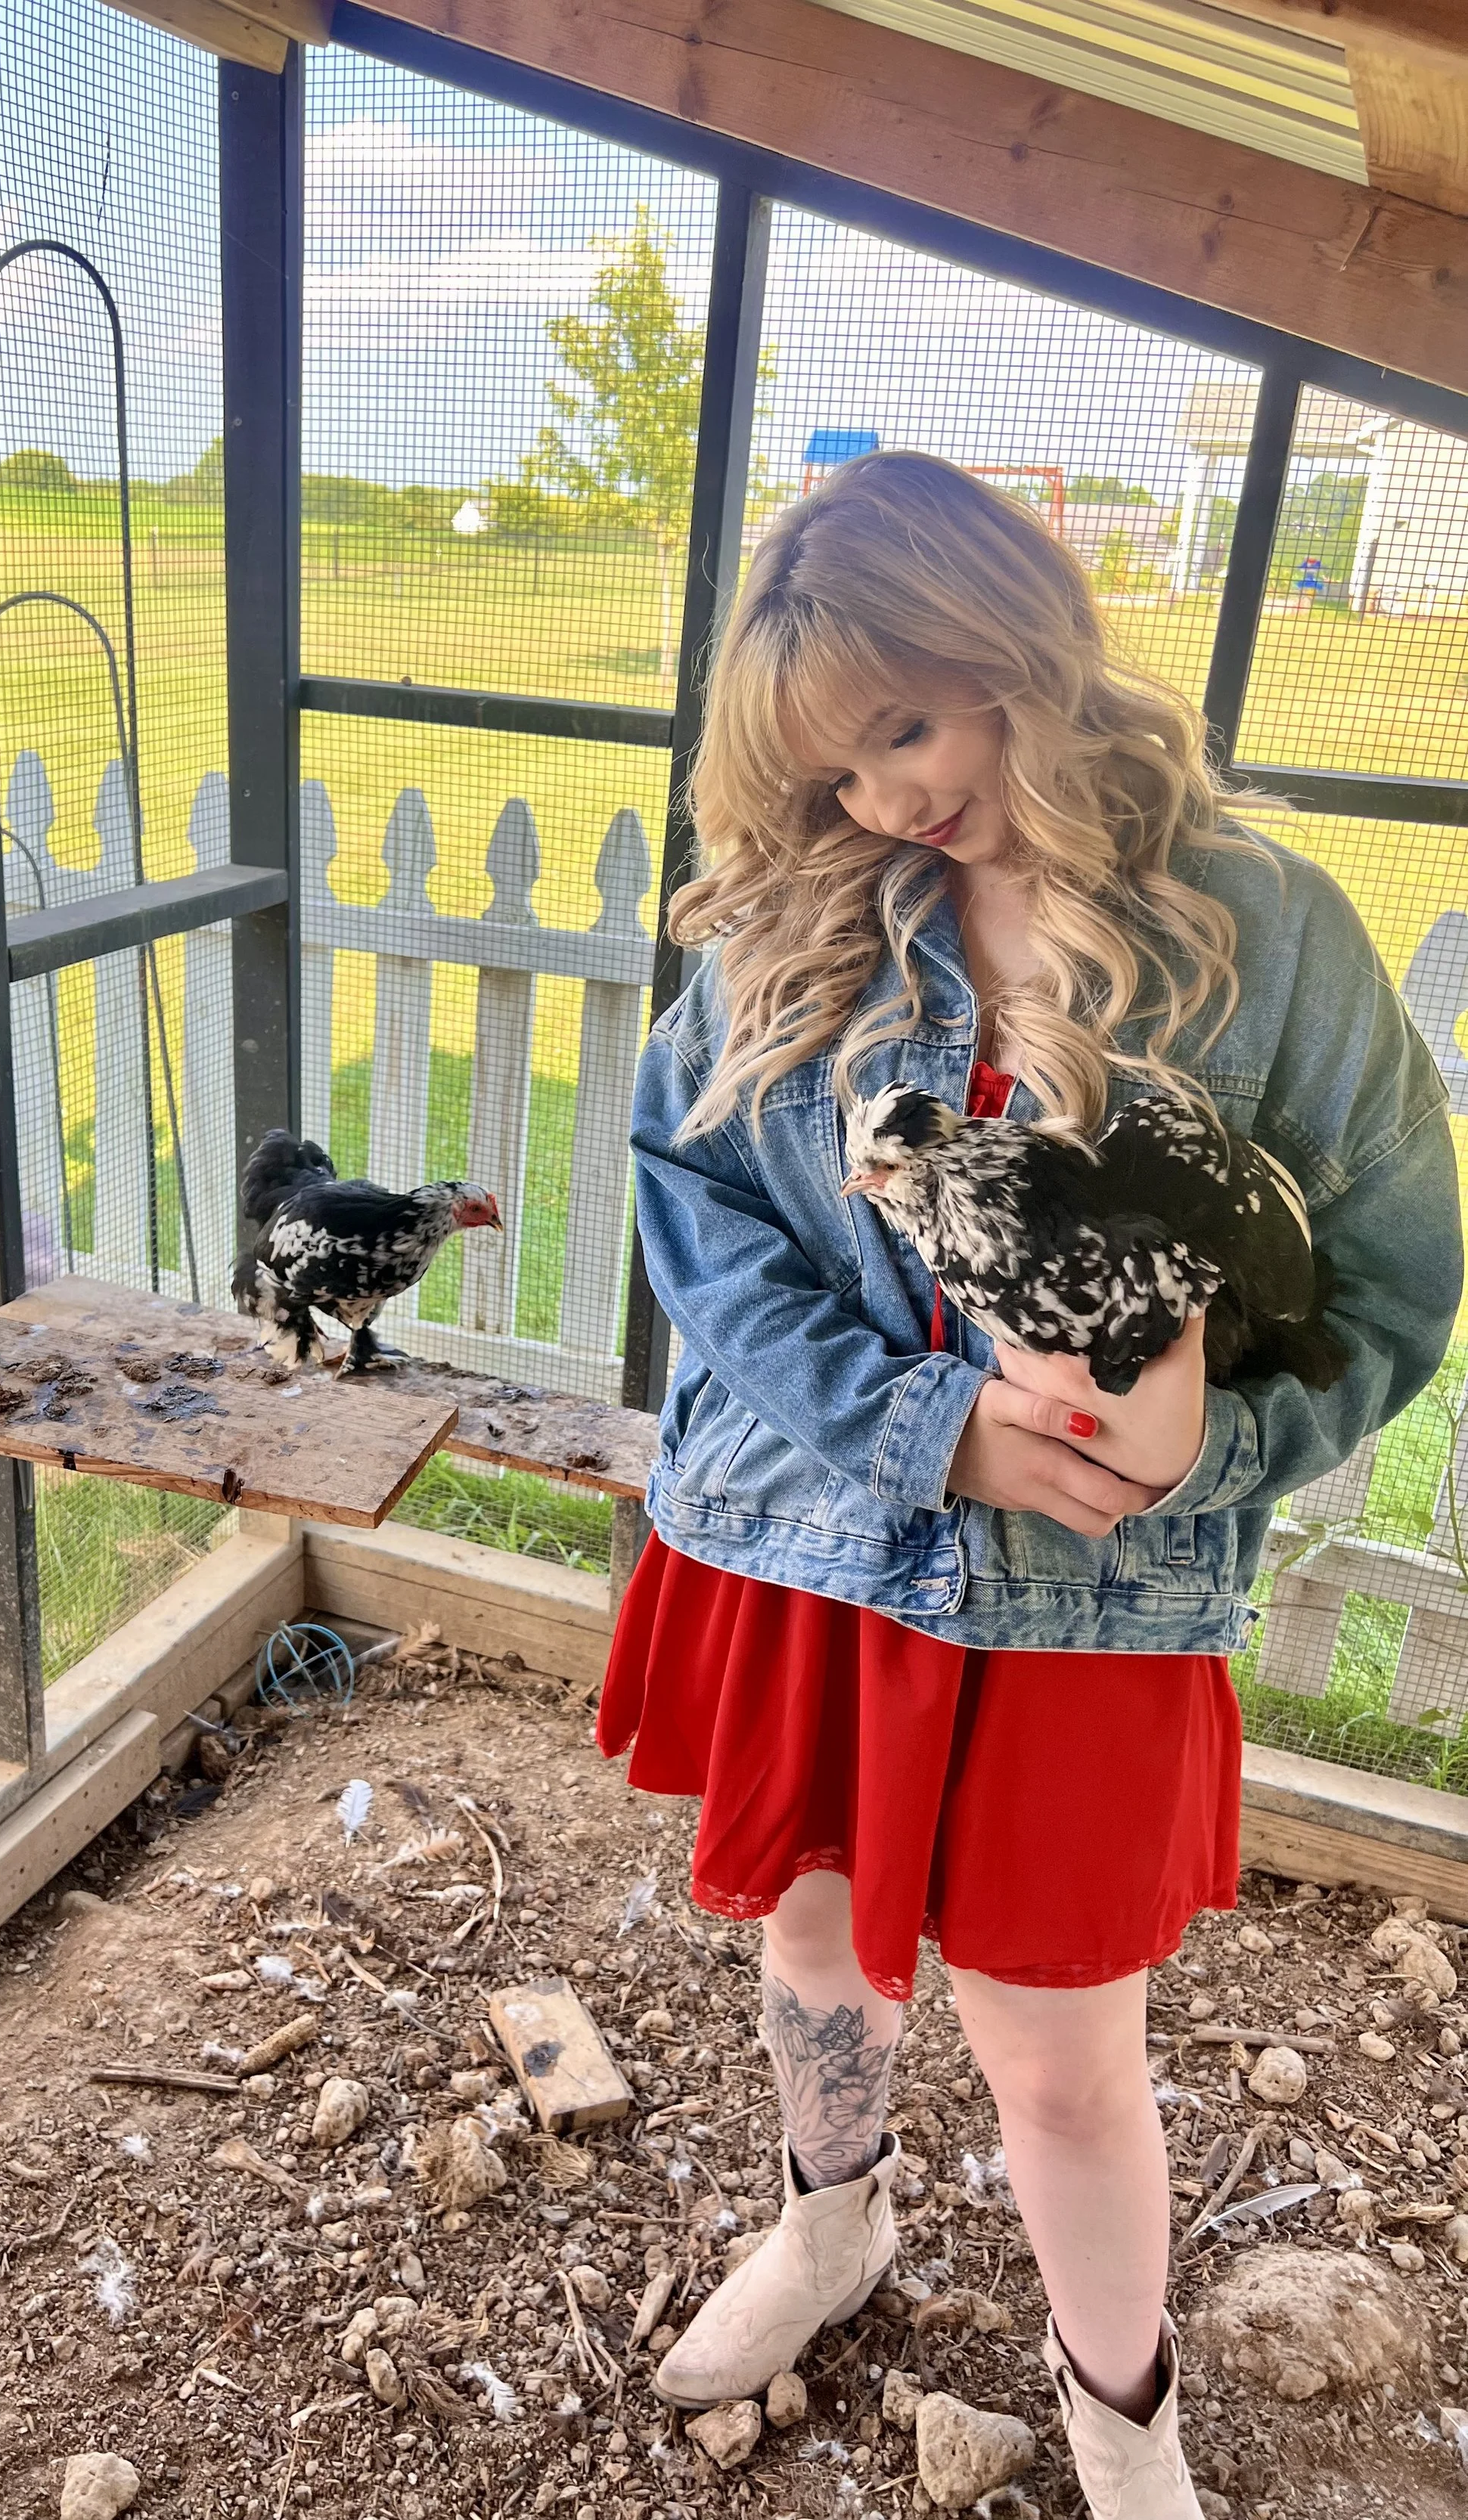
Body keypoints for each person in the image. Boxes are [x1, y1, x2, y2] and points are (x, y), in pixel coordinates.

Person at [599, 451, 1459, 2518]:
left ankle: (1118, 2412)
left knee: (1064, 2064)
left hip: (1086, 1603)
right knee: (811, 1955)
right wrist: (925, 1429)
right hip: (808, 1545)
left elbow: (1395, 1264)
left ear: (1014, 647)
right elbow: (696, 1215)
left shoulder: (1255, 934)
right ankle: (833, 2229)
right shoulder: (790, 923)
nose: (886, 799)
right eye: (835, 766)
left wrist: (1216, 1444)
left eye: (907, 724)